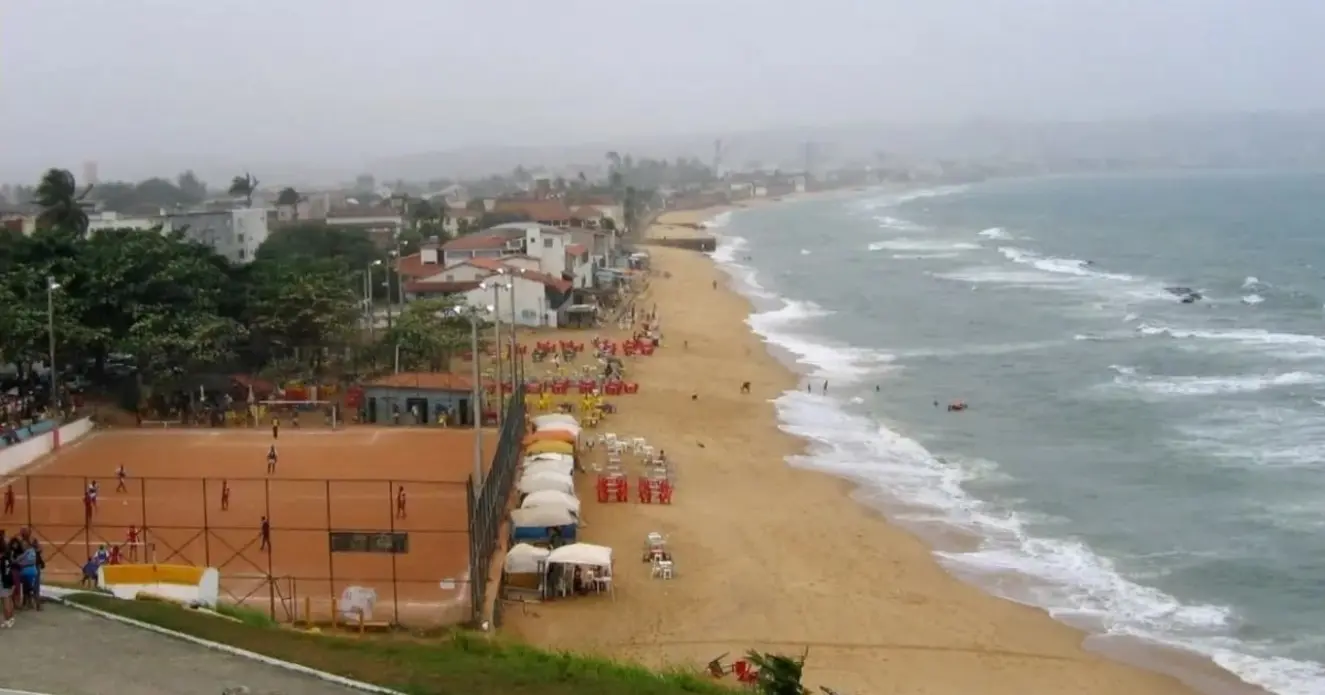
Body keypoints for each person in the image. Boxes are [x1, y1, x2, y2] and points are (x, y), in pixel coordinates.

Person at [0, 532, 13, 627]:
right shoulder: (7, 556)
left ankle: (5, 620)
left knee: (5, 600)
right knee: (6, 599)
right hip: (6, 579)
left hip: (1, 579)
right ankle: (7, 619)